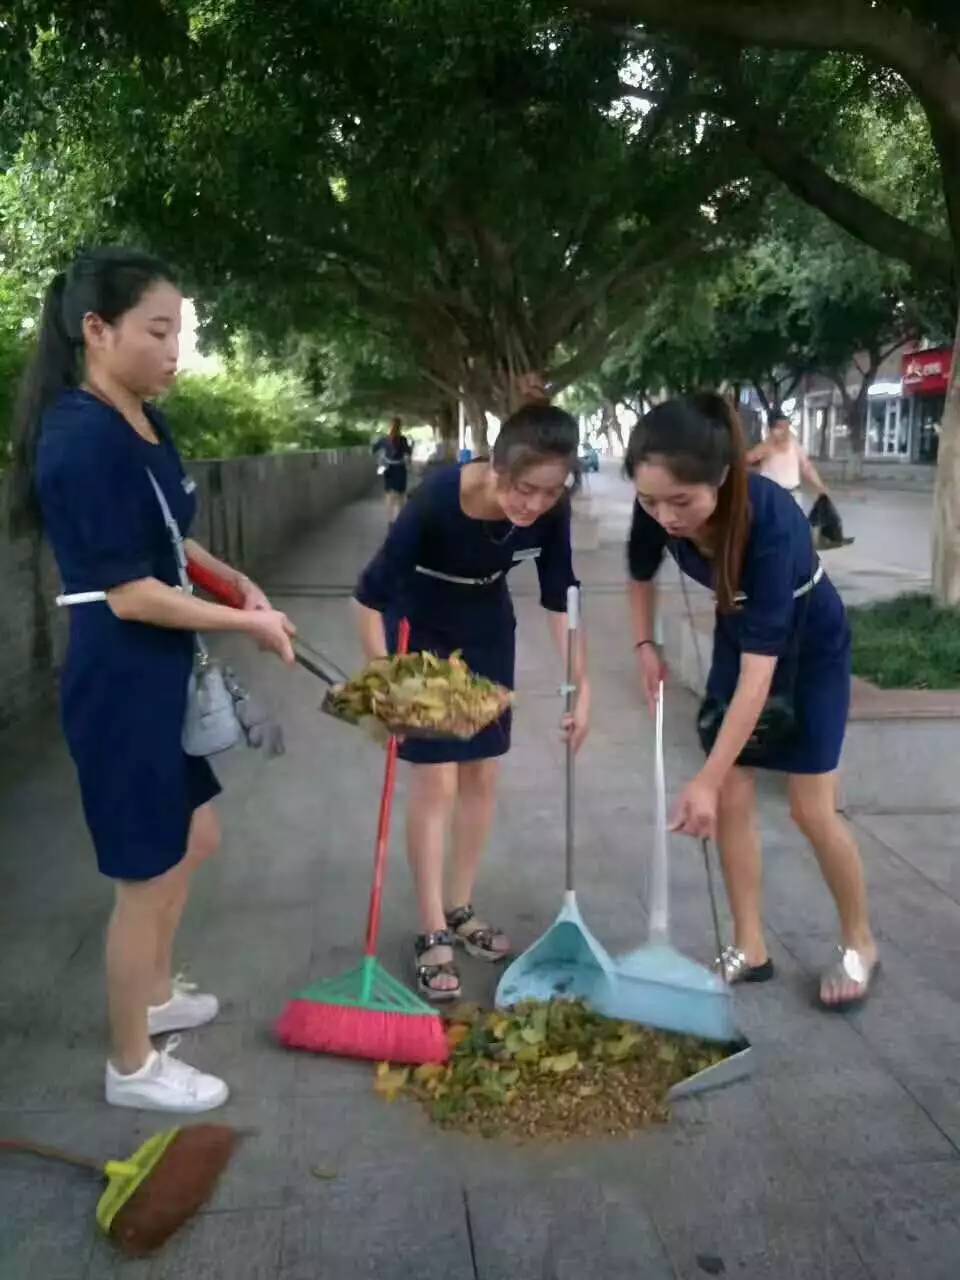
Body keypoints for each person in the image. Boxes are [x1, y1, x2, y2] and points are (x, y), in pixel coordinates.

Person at [8, 247, 297, 1111]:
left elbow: (177, 540)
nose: (176, 350)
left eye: (182, 332)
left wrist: (233, 581)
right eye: (158, 331)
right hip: (121, 671)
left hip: (165, 666)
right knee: (148, 871)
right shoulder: (78, 437)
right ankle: (130, 1065)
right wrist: (248, 623)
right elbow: (133, 594)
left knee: (193, 838)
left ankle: (158, 994)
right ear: (97, 332)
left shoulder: (144, 421)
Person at [626, 393, 878, 1009]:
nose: (664, 516)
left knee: (811, 808)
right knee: (733, 797)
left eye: (680, 502)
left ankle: (860, 942)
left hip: (808, 650)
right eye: (650, 501)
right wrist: (644, 644)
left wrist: (704, 779)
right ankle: (750, 946)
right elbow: (639, 573)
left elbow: (760, 680)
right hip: (741, 637)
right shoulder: (656, 504)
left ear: (723, 478)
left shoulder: (771, 524)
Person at [353, 390, 590, 1000]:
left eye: (550, 492)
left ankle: (459, 908)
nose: (534, 505)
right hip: (422, 632)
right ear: (497, 466)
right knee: (438, 781)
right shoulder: (436, 501)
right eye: (523, 489)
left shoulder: (550, 512)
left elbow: (560, 598)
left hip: (487, 630)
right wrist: (383, 679)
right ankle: (431, 928)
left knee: (482, 776)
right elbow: (369, 596)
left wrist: (580, 684)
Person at [747, 410, 827, 502]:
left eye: (786, 427)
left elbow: (807, 467)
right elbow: (746, 460)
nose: (785, 431)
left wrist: (819, 485)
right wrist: (754, 471)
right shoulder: (766, 446)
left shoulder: (795, 445)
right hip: (771, 494)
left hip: (792, 494)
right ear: (772, 430)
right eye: (780, 427)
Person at [372, 416, 414, 524]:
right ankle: (399, 520)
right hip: (400, 468)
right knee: (400, 496)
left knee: (389, 496)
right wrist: (411, 446)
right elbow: (408, 453)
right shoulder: (403, 439)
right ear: (400, 427)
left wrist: (381, 457)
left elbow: (373, 449)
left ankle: (390, 521)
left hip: (388, 469)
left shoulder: (384, 439)